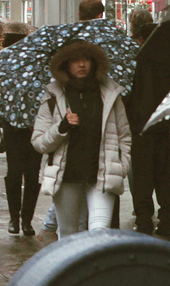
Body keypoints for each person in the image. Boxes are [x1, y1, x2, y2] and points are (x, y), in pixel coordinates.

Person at [32, 39, 131, 237]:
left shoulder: (110, 94)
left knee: (100, 231)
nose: (82, 64)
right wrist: (61, 127)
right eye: (75, 60)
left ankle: (94, 268)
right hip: (67, 176)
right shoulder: (53, 96)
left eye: (86, 59)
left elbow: (124, 136)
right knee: (69, 234)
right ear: (65, 64)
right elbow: (39, 142)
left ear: (95, 62)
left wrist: (121, 166)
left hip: (101, 175)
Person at [126, 21, 170, 236]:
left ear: (141, 39)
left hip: (141, 128)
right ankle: (166, 220)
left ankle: (144, 219)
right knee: (167, 176)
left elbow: (129, 95)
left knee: (142, 176)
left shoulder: (135, 62)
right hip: (167, 127)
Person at [0, 31, 41, 237]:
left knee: (32, 176)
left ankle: (26, 219)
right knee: (15, 174)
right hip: (13, 129)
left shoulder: (37, 67)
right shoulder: (4, 69)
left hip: (34, 129)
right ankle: (15, 217)